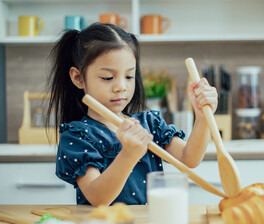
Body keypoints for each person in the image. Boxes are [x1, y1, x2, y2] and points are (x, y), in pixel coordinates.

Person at [46, 23, 218, 206]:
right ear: (78, 78)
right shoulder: (77, 136)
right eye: (108, 78)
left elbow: (189, 159)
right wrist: (128, 154)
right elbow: (98, 198)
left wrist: (202, 118)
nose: (121, 86)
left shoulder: (149, 123)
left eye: (129, 76)